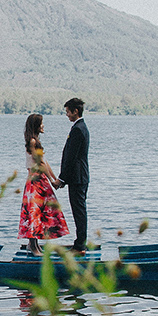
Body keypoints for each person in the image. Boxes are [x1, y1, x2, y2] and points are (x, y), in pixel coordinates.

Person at [18, 113, 68, 253]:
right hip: (35, 180)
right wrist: (52, 180)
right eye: (41, 123)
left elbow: (45, 162)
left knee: (40, 211)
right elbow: (40, 163)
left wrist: (54, 178)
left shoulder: (36, 142)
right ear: (36, 126)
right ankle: (33, 245)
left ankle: (35, 244)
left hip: (40, 180)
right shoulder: (33, 142)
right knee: (34, 211)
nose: (43, 126)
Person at [57, 97, 90, 251]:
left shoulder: (78, 129)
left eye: (68, 112)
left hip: (78, 178)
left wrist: (61, 179)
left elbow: (71, 157)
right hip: (79, 177)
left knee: (79, 212)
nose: (67, 115)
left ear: (75, 111)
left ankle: (80, 245)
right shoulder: (80, 127)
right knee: (79, 211)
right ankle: (80, 243)